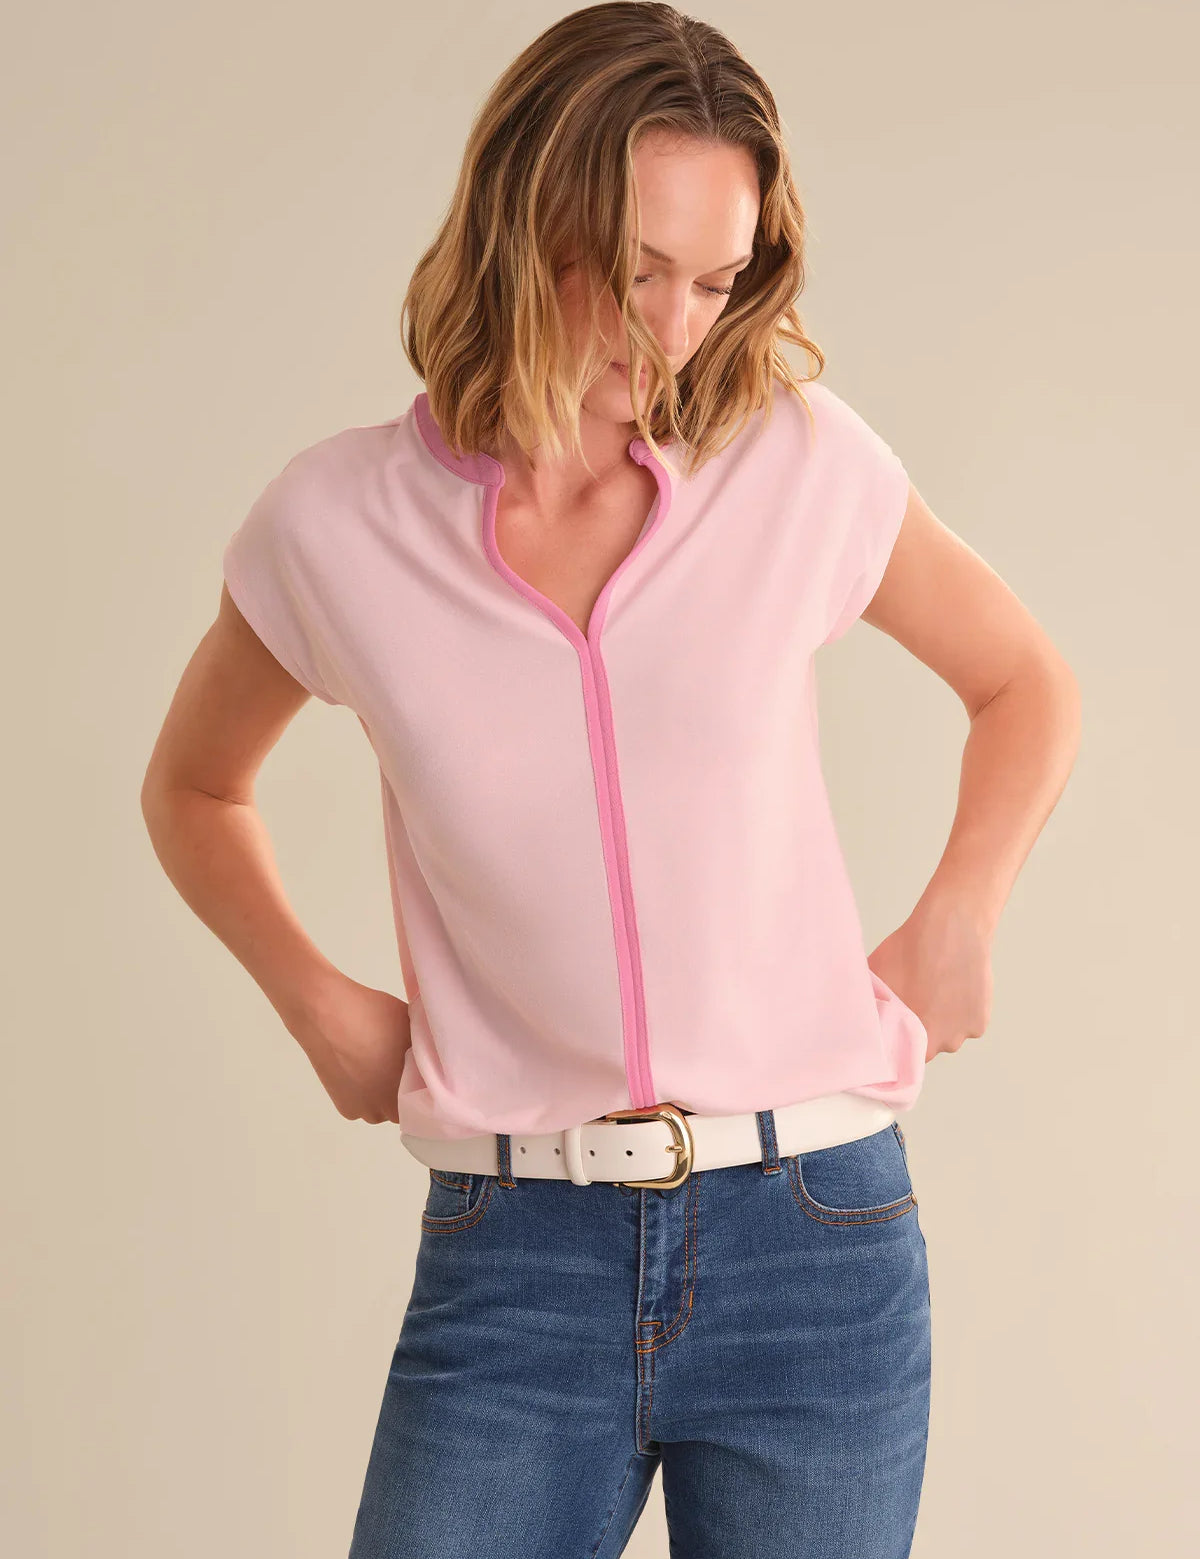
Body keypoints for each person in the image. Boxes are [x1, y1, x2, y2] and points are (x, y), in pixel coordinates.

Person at [140, 4, 1081, 1555]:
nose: (677, 326)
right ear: (525, 221)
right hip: (517, 1259)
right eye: (636, 269)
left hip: (819, 1244)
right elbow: (193, 787)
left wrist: (965, 907)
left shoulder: (794, 463)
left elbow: (1023, 681)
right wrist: (317, 1000)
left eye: (718, 281)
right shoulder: (336, 527)